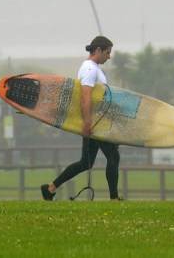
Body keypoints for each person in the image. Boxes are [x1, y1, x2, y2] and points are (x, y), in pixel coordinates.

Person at [40, 35, 123, 201]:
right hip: (94, 121)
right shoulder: (90, 69)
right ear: (98, 50)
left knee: (86, 162)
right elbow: (85, 96)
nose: (109, 56)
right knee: (113, 156)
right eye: (107, 52)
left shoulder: (93, 67)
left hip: (96, 120)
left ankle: (50, 189)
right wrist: (87, 123)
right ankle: (114, 198)